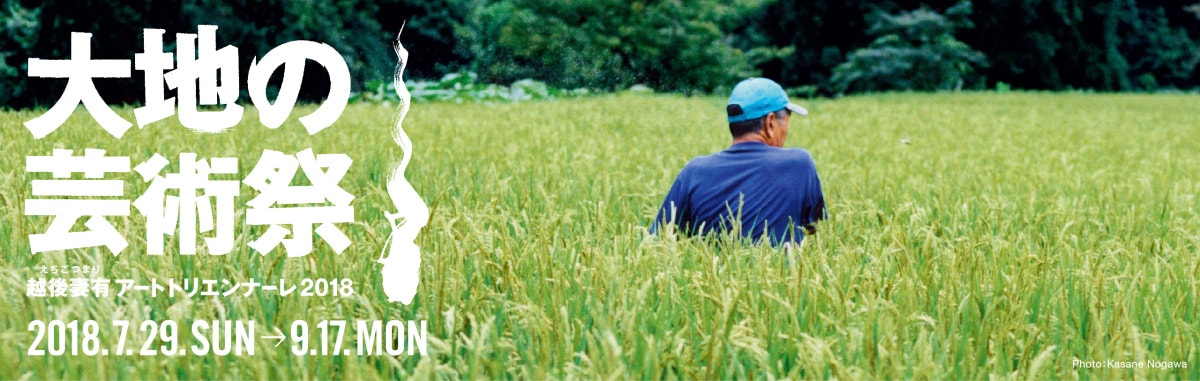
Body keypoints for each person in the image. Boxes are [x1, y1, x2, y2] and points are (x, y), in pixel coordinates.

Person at [650, 77, 826, 247]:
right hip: (780, 276)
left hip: (711, 276)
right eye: (787, 120)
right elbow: (814, 230)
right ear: (770, 122)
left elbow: (657, 241)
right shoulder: (799, 164)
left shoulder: (694, 171)